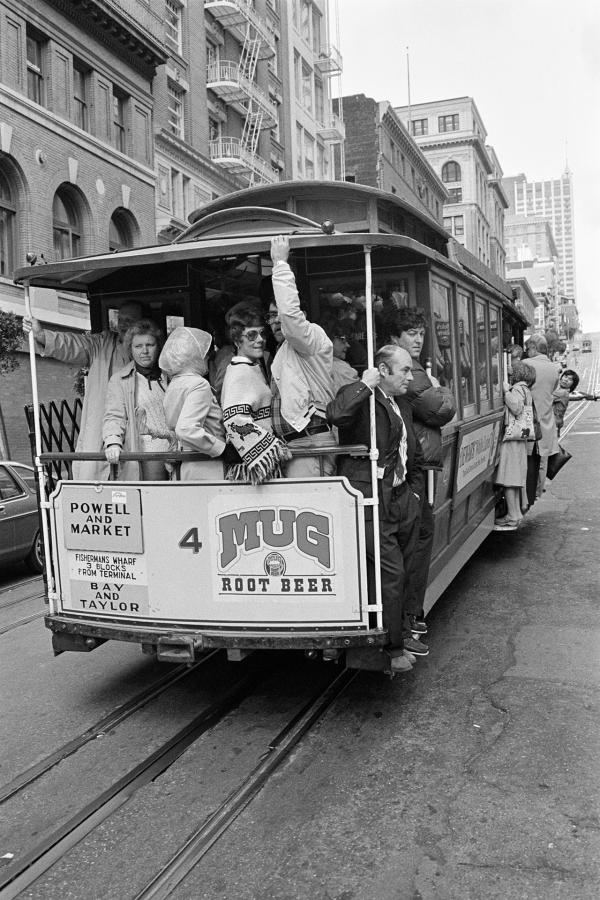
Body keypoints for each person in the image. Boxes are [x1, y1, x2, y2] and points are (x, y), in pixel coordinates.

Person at [327, 345, 426, 674]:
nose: (410, 378)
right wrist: (364, 384)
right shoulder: (365, 396)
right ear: (382, 370)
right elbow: (337, 414)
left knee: (405, 570)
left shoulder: (402, 403)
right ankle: (393, 648)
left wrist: (414, 493)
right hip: (373, 500)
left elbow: (410, 448)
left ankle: (401, 637)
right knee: (391, 573)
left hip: (400, 498)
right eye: (404, 371)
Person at [379, 307, 456, 635]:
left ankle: (409, 615)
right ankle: (409, 616)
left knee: (417, 539)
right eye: (411, 333)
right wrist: (441, 388)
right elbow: (442, 409)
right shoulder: (407, 372)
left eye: (421, 333)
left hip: (415, 468)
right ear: (395, 338)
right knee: (417, 540)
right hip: (412, 471)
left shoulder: (411, 372)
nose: (419, 339)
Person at [23, 303, 143, 479]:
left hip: (136, 436)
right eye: (121, 320)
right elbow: (72, 345)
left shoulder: (148, 351)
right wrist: (42, 335)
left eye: (130, 321)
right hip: (100, 434)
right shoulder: (101, 344)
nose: (124, 325)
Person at [268, 234, 337, 477]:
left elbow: (289, 315)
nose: (275, 320)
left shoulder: (311, 336)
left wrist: (280, 264)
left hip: (310, 442)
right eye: (270, 316)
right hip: (294, 444)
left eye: (278, 314)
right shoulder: (284, 349)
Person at [220, 307, 291, 484]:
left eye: (261, 333)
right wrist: (273, 448)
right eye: (251, 335)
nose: (260, 340)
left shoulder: (251, 368)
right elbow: (234, 420)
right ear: (237, 340)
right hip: (252, 469)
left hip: (254, 466)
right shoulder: (240, 372)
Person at [103, 320, 173, 481]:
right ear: (130, 349)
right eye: (138, 346)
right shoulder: (120, 380)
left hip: (177, 451)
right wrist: (113, 442)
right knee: (154, 500)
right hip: (147, 454)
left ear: (159, 346)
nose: (145, 351)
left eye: (150, 345)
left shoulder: (170, 374)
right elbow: (114, 416)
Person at [159, 327, 226, 480]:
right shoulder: (199, 384)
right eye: (204, 354)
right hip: (206, 464)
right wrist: (221, 449)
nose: (207, 358)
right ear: (194, 356)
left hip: (185, 464)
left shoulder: (175, 384)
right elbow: (185, 429)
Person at [494, 361, 537, 531]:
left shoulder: (517, 388)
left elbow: (517, 407)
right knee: (515, 478)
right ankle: (516, 513)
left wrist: (506, 391)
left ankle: (512, 515)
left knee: (508, 479)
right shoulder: (527, 389)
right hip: (520, 440)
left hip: (511, 441)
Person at [525, 334, 560, 497]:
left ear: (533, 348)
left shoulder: (525, 364)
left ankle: (527, 495)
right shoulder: (554, 368)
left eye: (527, 349)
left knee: (527, 459)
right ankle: (538, 492)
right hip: (546, 418)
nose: (526, 352)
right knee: (542, 458)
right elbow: (552, 390)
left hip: (528, 420)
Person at [552, 368, 598, 436]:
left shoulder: (561, 393)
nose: (566, 380)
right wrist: (590, 396)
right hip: (554, 424)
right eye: (565, 376)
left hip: (552, 425)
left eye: (570, 379)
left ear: (573, 384)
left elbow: (545, 397)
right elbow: (578, 394)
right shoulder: (564, 392)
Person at [322, 319, 360, 393]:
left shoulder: (316, 364)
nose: (347, 345)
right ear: (329, 339)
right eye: (343, 339)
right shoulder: (340, 369)